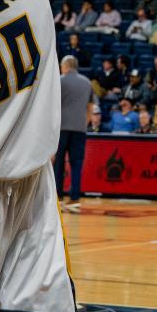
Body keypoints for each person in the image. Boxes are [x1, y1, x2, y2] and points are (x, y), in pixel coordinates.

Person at [54, 55, 95, 213]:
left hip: (61, 128)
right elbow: (90, 106)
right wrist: (84, 122)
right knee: (76, 163)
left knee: (59, 163)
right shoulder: (87, 82)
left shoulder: (60, 80)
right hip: (79, 129)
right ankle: (75, 198)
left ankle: (58, 197)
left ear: (66, 66)